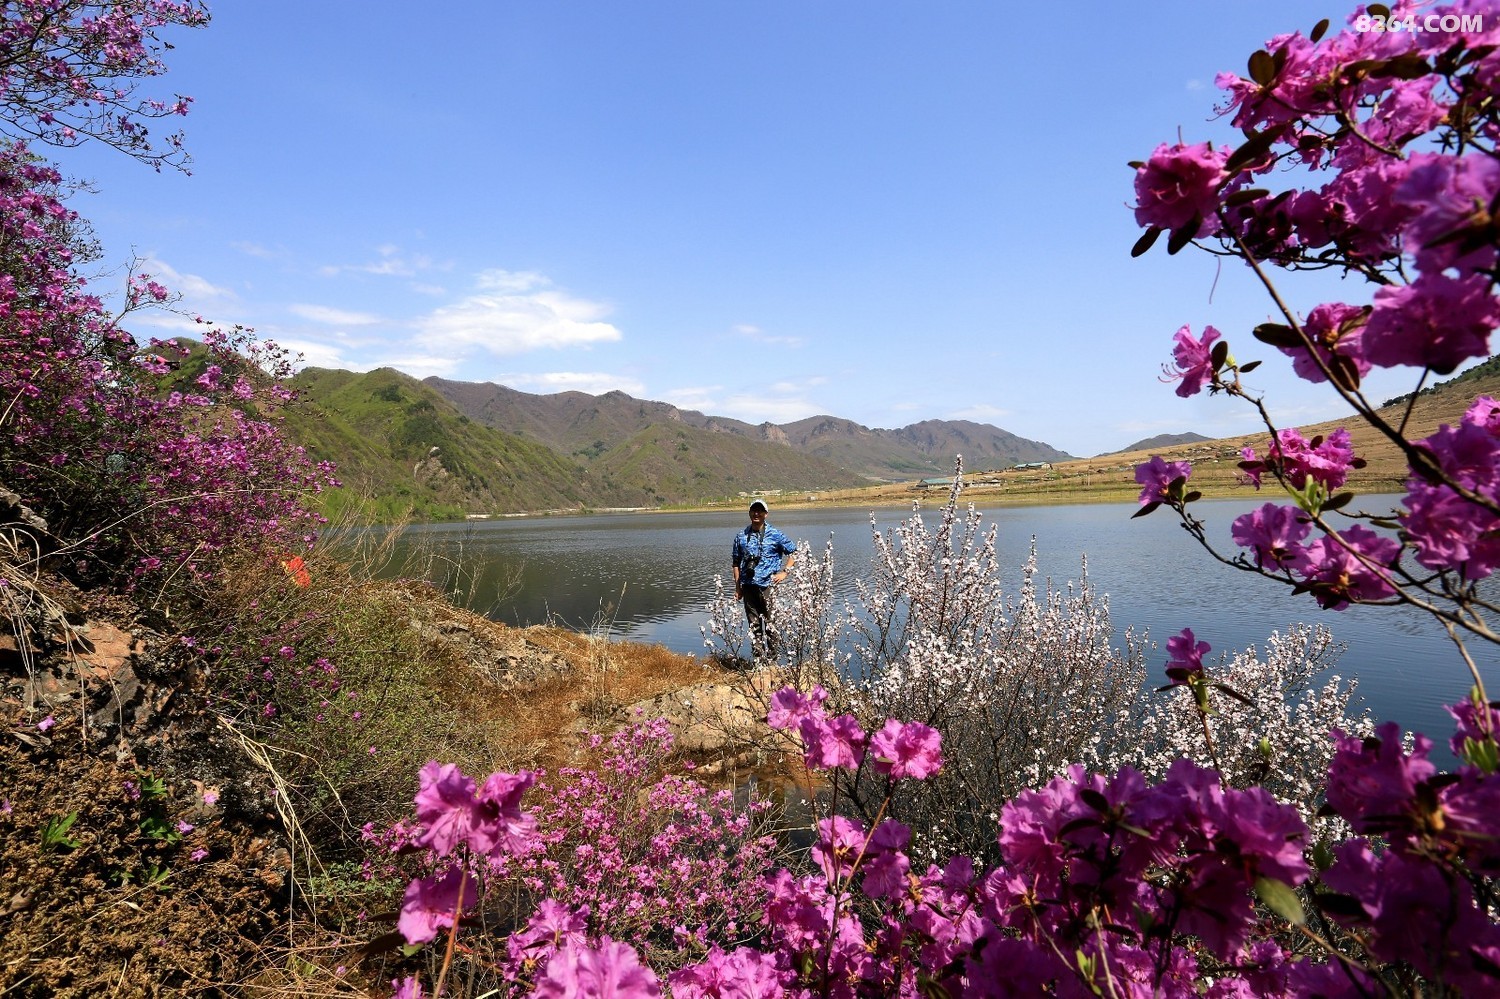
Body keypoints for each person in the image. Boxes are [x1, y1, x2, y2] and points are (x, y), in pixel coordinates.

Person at [732, 498, 797, 661]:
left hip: (768, 586)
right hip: (748, 587)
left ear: (765, 514)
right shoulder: (741, 536)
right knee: (754, 627)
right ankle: (759, 662)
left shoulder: (775, 534)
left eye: (760, 510)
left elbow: (794, 553)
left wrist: (785, 572)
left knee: (770, 625)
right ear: (749, 513)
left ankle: (773, 661)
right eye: (753, 510)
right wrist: (738, 587)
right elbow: (735, 563)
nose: (756, 513)